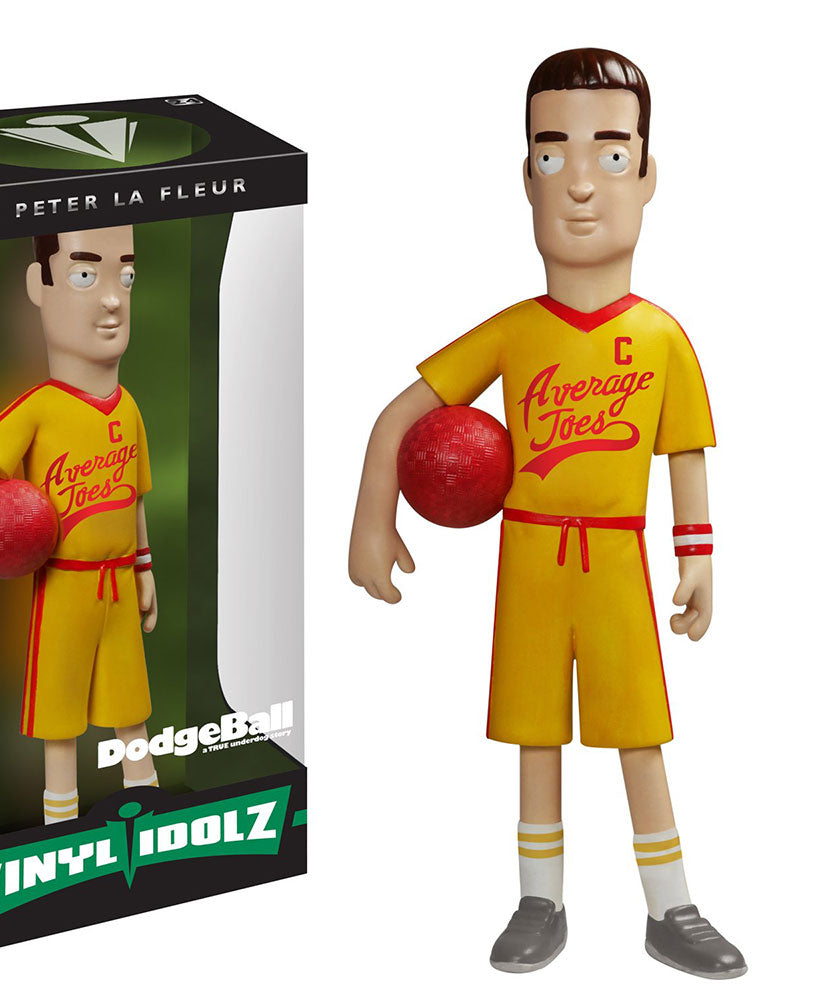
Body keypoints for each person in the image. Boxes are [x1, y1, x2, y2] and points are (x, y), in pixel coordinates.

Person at [348, 49, 746, 979]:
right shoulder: (514, 330)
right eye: (552, 154)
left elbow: (684, 457)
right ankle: (540, 899)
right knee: (536, 736)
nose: (580, 184)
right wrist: (371, 518)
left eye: (612, 155)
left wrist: (697, 558)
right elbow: (397, 415)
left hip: (616, 564)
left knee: (638, 733)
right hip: (528, 560)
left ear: (647, 176)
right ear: (526, 177)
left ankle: (672, 906)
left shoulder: (662, 338)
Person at [0, 225, 159, 825]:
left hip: (118, 586)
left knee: (130, 706)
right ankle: (61, 820)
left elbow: (133, 497)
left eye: (126, 276)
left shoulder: (129, 408)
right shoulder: (37, 408)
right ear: (40, 285)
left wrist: (144, 568)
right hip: (61, 587)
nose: (112, 298)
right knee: (60, 717)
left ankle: (148, 801)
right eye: (85, 274)